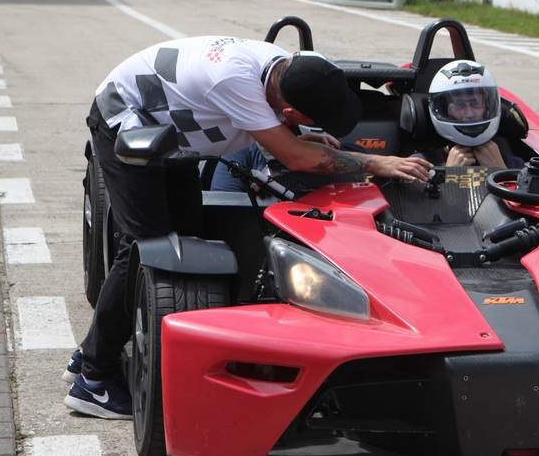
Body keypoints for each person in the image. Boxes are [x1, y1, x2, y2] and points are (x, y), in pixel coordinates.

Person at [65, 36, 432, 419]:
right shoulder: (235, 81)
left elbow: (281, 138)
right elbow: (294, 156)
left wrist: (299, 136)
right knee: (150, 248)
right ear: (288, 110)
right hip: (128, 123)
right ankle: (94, 380)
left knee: (189, 237)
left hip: (173, 130)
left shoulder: (289, 67)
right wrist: (375, 163)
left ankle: (90, 352)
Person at [209, 59, 509, 192]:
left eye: (475, 103)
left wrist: (499, 172)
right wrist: (451, 175)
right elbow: (228, 213)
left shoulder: (506, 152)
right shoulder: (240, 150)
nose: (469, 113)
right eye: (459, 104)